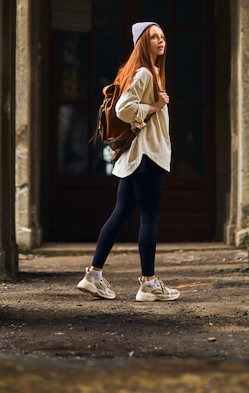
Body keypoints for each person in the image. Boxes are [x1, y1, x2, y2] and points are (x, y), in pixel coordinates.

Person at [77, 21, 180, 302]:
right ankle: (148, 283)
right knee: (149, 218)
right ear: (142, 44)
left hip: (136, 156)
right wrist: (155, 107)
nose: (161, 41)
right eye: (154, 38)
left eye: (163, 36)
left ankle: (93, 275)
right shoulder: (146, 73)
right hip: (146, 155)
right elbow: (123, 109)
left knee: (120, 214)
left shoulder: (144, 71)